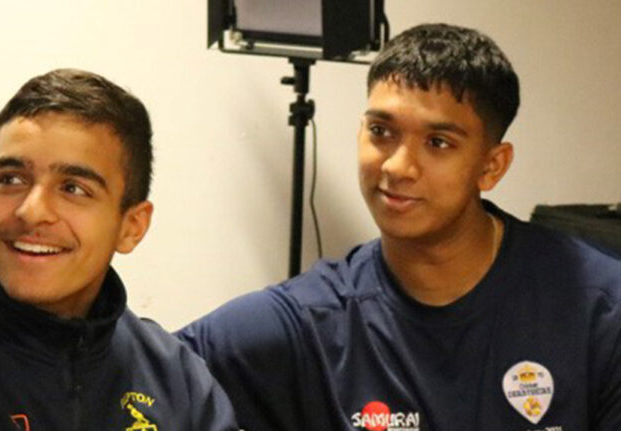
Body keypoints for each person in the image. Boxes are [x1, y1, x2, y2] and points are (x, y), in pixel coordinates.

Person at [177, 23, 621, 431]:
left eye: (438, 142)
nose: (397, 166)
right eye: (381, 131)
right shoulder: (306, 323)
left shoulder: (598, 309)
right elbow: (149, 371)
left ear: (492, 166)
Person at [0, 68, 238, 430]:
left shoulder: (175, 374)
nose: (31, 211)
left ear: (132, 226)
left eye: (73, 188)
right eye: (11, 179)